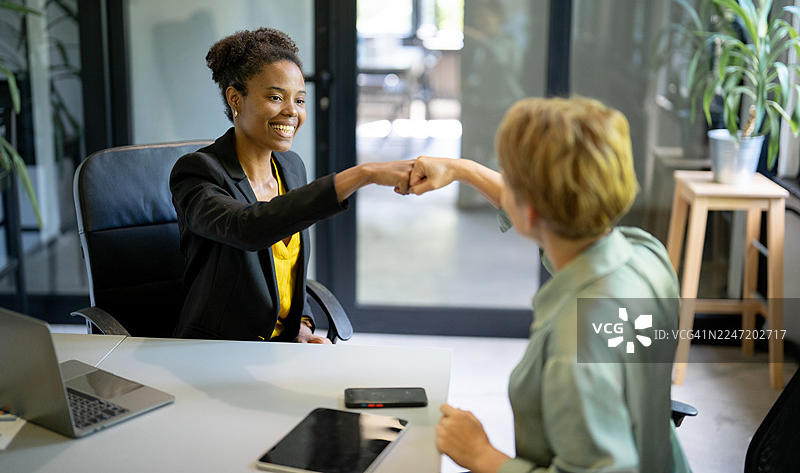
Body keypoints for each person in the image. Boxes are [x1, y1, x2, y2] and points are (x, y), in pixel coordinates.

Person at [408, 96, 690, 472]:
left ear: (529, 210)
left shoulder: (572, 344)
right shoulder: (645, 254)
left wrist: (481, 456)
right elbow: (562, 221)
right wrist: (463, 170)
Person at [170, 27, 413, 343]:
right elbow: (246, 227)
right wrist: (361, 174)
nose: (292, 111)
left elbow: (286, 274)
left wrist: (301, 324)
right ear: (235, 99)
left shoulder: (290, 167)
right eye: (275, 97)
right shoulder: (198, 172)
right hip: (219, 350)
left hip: (280, 348)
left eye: (299, 100)